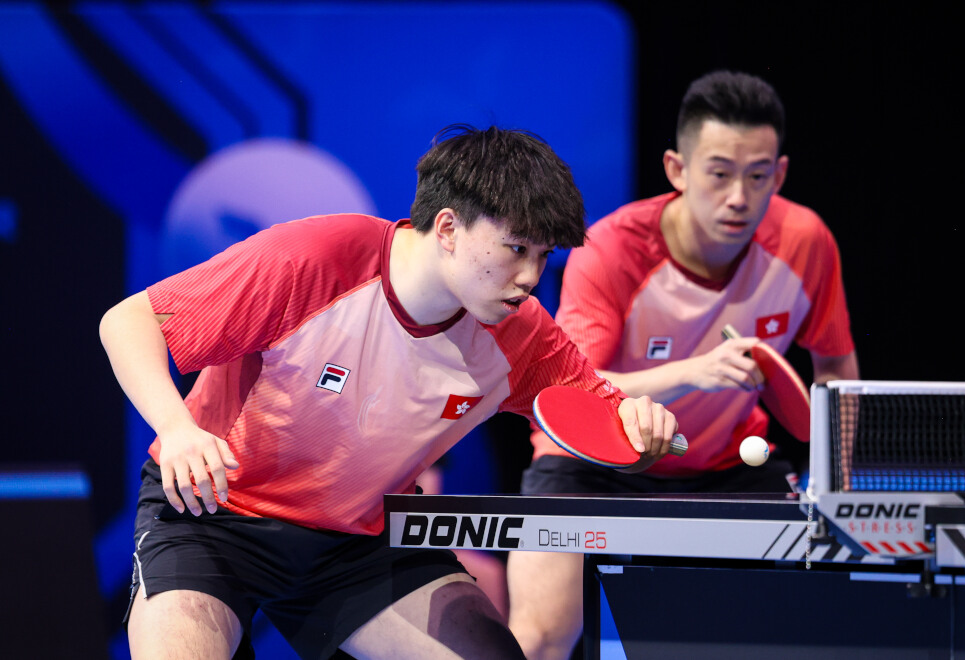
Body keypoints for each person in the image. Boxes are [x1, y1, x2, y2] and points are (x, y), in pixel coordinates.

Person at [99, 124, 680, 660]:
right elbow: (129, 322)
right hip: (215, 516)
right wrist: (177, 429)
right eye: (516, 249)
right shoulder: (315, 259)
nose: (530, 278)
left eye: (543, 256)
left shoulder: (520, 333)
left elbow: (608, 419)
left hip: (360, 543)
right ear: (449, 228)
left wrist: (642, 430)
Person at [506, 71, 860, 660]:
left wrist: (843, 486)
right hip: (592, 468)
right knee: (539, 639)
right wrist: (692, 371)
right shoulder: (613, 251)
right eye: (719, 174)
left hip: (730, 468)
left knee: (799, 635)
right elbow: (566, 395)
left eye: (757, 176)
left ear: (780, 174)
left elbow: (835, 369)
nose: (739, 198)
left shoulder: (806, 242)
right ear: (677, 169)